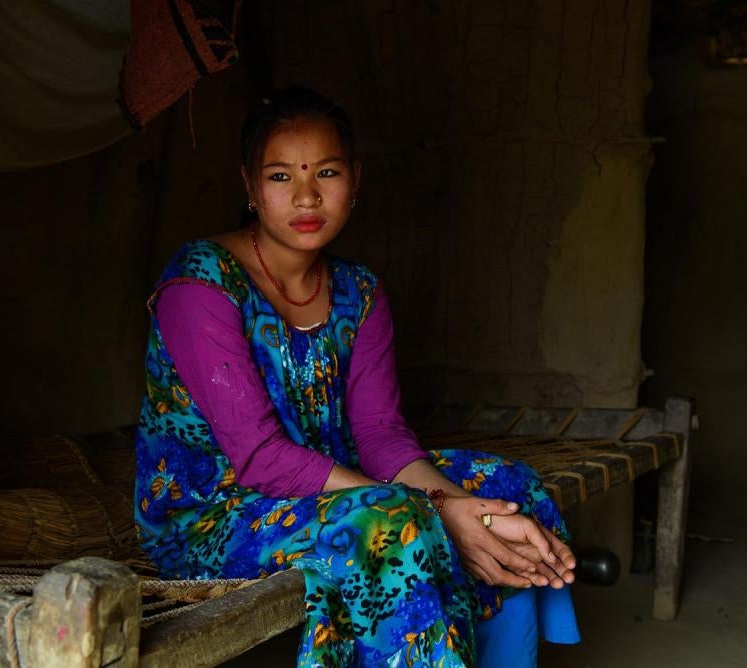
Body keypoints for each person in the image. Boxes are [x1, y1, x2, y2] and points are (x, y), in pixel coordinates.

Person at [134, 86, 579, 667]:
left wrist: (471, 507)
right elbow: (261, 457)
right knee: (397, 521)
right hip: (218, 515)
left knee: (506, 489)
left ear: (355, 182)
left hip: (337, 485)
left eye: (326, 171)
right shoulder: (201, 284)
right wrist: (440, 508)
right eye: (279, 177)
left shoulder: (358, 291)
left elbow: (380, 436)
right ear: (247, 185)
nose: (305, 195)